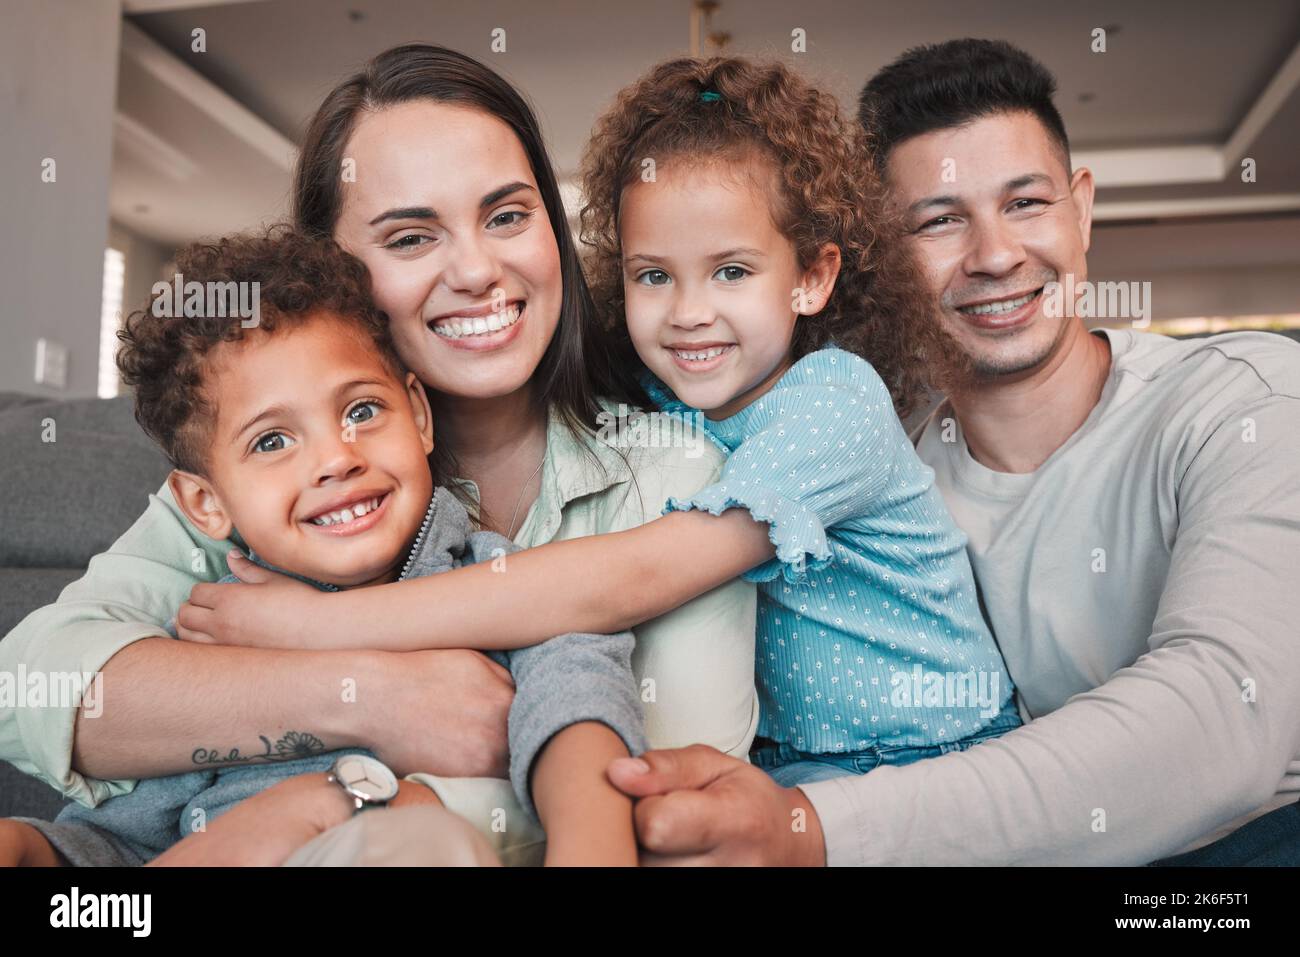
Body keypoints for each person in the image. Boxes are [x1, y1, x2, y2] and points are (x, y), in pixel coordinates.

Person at [177, 58, 1026, 792]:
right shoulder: (660, 404)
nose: (690, 314)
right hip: (788, 763)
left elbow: (635, 573)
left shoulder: (835, 403)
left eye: (731, 270)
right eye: (654, 276)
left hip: (932, 755)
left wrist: (320, 629)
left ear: (811, 277)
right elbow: (65, 677)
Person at [0, 45, 758, 866]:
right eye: (410, 236)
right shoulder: (237, 513)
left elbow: (667, 799)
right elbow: (34, 687)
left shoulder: (670, 472)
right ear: (332, 266)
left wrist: (341, 795)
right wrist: (372, 697)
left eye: (506, 216)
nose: (476, 270)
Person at [600, 38, 1300, 866]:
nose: (995, 255)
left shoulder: (1246, 400)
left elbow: (1223, 723)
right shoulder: (869, 452)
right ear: (884, 253)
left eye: (1027, 203)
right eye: (938, 219)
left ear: (1081, 209)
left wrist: (815, 826)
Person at [1, 229, 649, 867]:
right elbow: (124, 839)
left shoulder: (498, 582)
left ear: (418, 414)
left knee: (419, 846)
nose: (337, 458)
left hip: (398, 850)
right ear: (205, 503)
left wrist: (591, 844)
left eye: (363, 410)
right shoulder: (209, 636)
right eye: (273, 442)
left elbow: (577, 700)